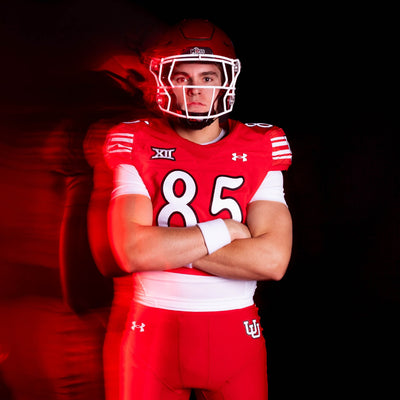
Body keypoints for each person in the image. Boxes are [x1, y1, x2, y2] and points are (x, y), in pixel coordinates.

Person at [104, 19, 292, 400]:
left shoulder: (261, 144)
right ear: (165, 83)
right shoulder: (136, 140)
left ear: (226, 81)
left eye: (207, 77)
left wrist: (167, 246)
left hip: (235, 335)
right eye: (183, 77)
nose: (195, 90)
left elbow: (273, 261)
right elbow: (131, 251)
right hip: (153, 335)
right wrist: (226, 230)